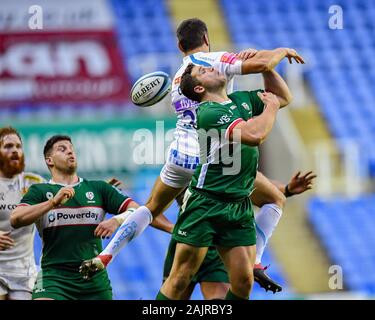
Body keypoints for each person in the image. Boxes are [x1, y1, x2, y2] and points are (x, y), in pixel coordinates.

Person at [79, 18, 305, 291]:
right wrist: (280, 51)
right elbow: (262, 66)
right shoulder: (214, 61)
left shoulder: (179, 77)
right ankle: (255, 259)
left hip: (180, 153)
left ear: (179, 46)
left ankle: (107, 254)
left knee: (151, 207)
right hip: (214, 155)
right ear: (206, 38)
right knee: (273, 199)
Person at [157, 62, 286, 300]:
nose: (211, 69)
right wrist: (272, 108)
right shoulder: (208, 112)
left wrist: (267, 68)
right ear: (198, 89)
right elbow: (255, 135)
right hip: (206, 203)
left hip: (239, 204)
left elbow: (281, 96)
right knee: (180, 279)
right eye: (202, 72)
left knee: (244, 282)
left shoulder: (240, 101)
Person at [10, 135, 146, 300]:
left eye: (71, 148)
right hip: (54, 278)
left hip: (93, 278)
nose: (70, 152)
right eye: (62, 149)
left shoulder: (99, 188)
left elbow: (139, 211)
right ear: (49, 160)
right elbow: (16, 219)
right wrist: (52, 202)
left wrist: (116, 220)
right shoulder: (39, 191)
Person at [163, 170, 316, 299]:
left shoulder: (232, 160)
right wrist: (173, 228)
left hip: (216, 247)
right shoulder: (185, 161)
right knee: (176, 289)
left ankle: (253, 262)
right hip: (188, 239)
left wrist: (287, 189)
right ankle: (254, 262)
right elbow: (151, 210)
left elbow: (261, 187)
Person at [0, 127, 45, 300]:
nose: (15, 151)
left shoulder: (33, 183)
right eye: (8, 146)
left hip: (23, 272)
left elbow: (60, 198)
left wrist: (95, 192)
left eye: (18, 146)